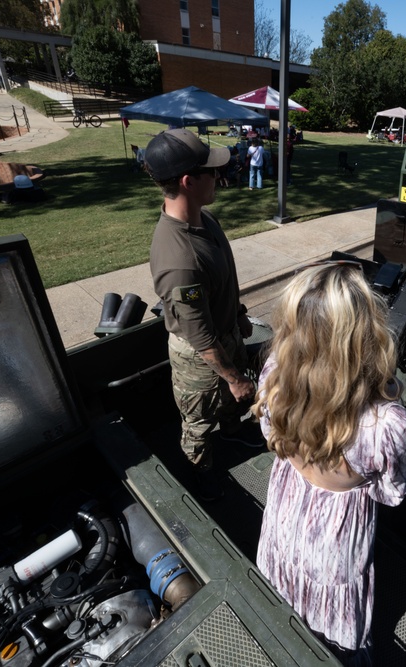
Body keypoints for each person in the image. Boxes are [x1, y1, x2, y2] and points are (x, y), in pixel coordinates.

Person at [255, 262, 406, 667]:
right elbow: (392, 490)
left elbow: (270, 436)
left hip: (283, 517)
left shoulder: (274, 377)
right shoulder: (384, 425)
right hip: (335, 544)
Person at [145, 129, 263, 502]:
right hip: (202, 359)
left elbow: (221, 282)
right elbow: (198, 335)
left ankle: (230, 429)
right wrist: (232, 377)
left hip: (225, 333)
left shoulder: (204, 220)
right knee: (197, 423)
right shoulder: (179, 259)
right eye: (211, 172)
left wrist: (239, 314)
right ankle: (201, 475)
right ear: (187, 181)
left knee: (231, 403)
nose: (220, 176)